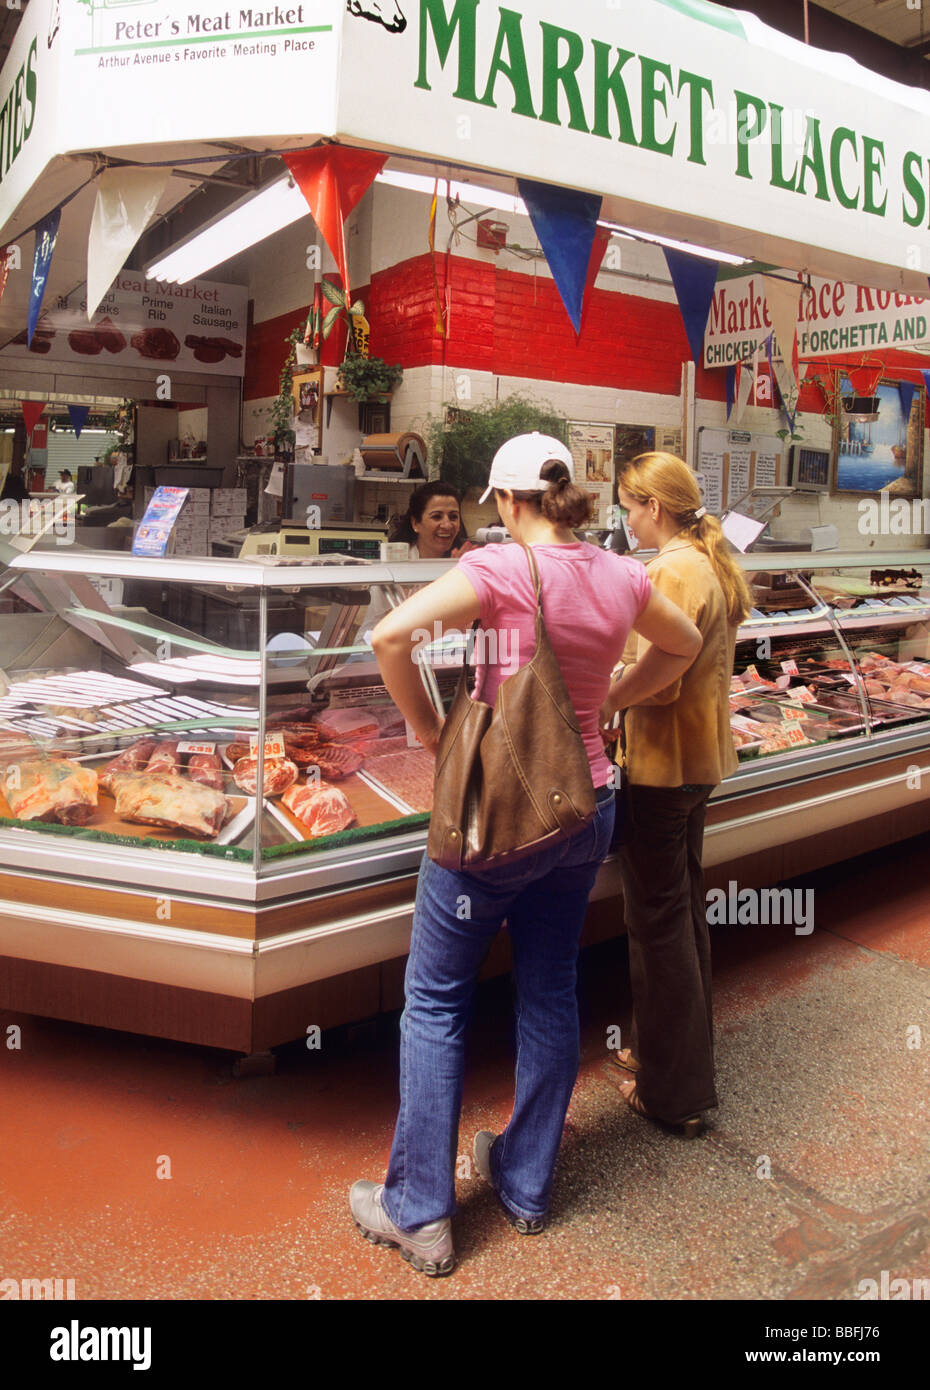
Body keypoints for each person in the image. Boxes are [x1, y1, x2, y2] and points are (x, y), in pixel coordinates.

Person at [349, 433, 702, 1275]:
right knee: (550, 986)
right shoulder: (622, 573)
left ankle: (420, 1211)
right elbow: (683, 644)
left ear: (506, 502)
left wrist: (431, 732)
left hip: (496, 818)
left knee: (435, 1001)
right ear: (565, 494)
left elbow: (388, 639)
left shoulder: (501, 569)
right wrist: (615, 693)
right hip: (588, 808)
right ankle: (527, 1181)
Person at [601, 451, 752, 1135]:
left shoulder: (668, 569)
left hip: (661, 770)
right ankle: (671, 1053)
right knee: (684, 914)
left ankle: (677, 1096)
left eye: (630, 507)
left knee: (657, 925)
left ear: (653, 508)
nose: (626, 519)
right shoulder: (709, 560)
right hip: (701, 764)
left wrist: (608, 699)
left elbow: (658, 673)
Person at [387, 480, 471, 558]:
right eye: (437, 516)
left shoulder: (463, 561)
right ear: (415, 523)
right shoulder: (397, 562)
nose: (447, 525)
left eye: (453, 517)